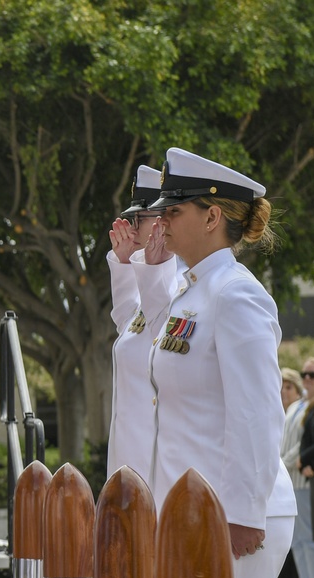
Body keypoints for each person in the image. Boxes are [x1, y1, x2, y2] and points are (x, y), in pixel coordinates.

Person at [147, 147, 296, 578]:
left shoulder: (236, 294)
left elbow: (258, 415)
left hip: (233, 513)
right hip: (193, 512)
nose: (161, 219)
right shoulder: (193, 291)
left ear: (212, 217)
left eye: (175, 208)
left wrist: (242, 513)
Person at [105, 164, 178, 482]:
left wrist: (147, 265)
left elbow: (159, 324)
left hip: (158, 470)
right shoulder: (151, 282)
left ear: (162, 222)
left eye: (139, 219)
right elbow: (128, 323)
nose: (130, 229)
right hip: (130, 464)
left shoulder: (181, 284)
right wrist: (123, 264)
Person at [278, 364, 311, 578]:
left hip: (300, 479)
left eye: (288, 386)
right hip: (289, 479)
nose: (283, 391)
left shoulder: (304, 408)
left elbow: (300, 445)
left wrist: (279, 463)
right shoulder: (290, 410)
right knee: (298, 542)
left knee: (307, 540)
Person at [294, 359, 314, 578]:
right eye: (305, 374)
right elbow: (304, 441)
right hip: (306, 475)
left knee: (313, 540)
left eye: (313, 374)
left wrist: (307, 460)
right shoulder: (310, 408)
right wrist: (303, 462)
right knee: (303, 540)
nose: (308, 379)